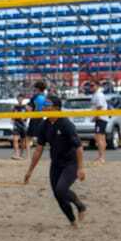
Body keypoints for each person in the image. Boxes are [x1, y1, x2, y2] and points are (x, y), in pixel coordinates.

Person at [24, 96, 87, 228]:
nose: (44, 108)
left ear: (56, 108)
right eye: (44, 105)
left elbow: (79, 147)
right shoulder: (44, 125)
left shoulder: (66, 124)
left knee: (61, 189)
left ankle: (80, 206)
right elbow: (38, 150)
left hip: (71, 163)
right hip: (56, 163)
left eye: (48, 105)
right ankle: (73, 222)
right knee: (58, 195)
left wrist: (81, 168)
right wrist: (29, 171)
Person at [91, 82, 109, 164]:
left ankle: (101, 158)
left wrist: (96, 117)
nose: (91, 87)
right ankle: (101, 157)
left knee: (99, 139)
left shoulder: (99, 95)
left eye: (92, 85)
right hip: (101, 119)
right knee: (101, 139)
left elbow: (100, 107)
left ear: (97, 86)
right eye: (90, 86)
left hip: (101, 119)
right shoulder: (96, 94)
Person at [26, 81, 48, 147]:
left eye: (35, 89)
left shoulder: (35, 97)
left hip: (34, 118)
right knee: (40, 138)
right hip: (42, 118)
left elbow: (29, 108)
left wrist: (27, 109)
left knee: (28, 138)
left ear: (37, 89)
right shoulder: (46, 97)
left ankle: (29, 154)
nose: (34, 90)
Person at [12, 94, 29, 160]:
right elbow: (12, 116)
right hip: (16, 124)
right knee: (15, 139)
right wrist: (14, 117)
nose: (20, 99)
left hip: (23, 125)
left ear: (23, 99)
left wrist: (25, 117)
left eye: (21, 98)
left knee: (23, 141)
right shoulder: (15, 107)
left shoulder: (25, 107)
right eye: (19, 98)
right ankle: (17, 154)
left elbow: (29, 115)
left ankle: (21, 154)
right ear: (17, 99)